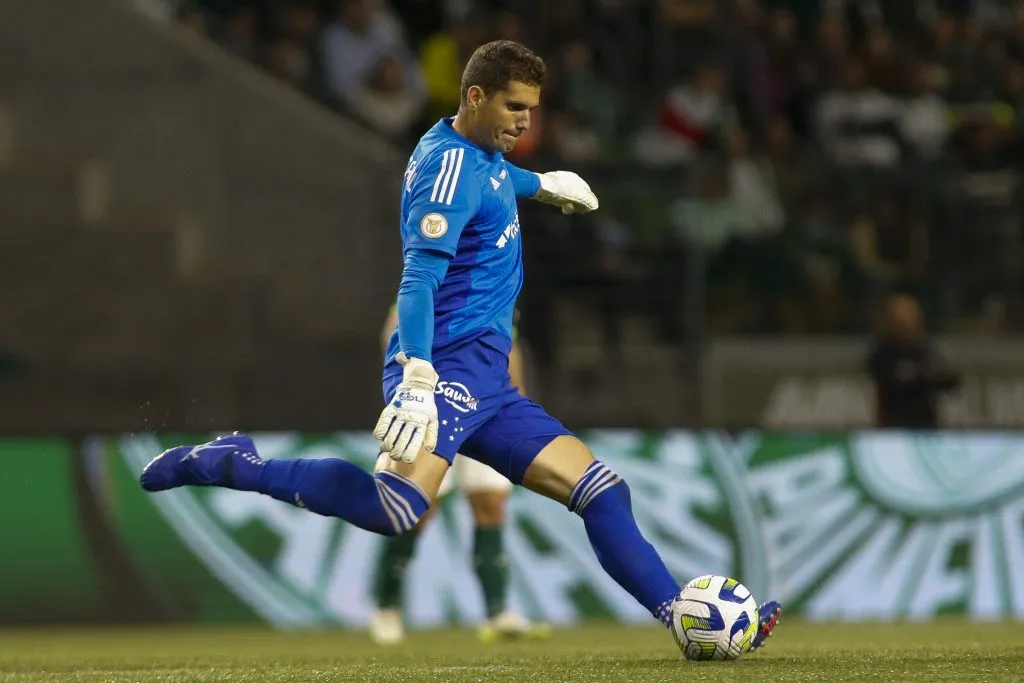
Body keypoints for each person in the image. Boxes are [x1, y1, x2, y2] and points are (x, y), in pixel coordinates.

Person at [139, 40, 781, 653]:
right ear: (475, 96)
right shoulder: (448, 173)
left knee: (602, 491)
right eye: (513, 107)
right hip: (444, 369)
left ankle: (680, 615)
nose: (524, 121)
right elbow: (418, 279)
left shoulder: (480, 154)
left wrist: (542, 185)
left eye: (532, 109)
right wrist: (416, 372)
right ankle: (233, 464)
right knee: (396, 509)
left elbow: (495, 180)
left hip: (490, 380)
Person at [369, 305, 546, 644]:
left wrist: (518, 393)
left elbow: (509, 343)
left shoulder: (494, 284)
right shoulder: (430, 280)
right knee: (415, 509)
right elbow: (394, 328)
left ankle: (497, 613)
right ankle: (386, 607)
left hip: (485, 408)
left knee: (490, 503)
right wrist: (404, 389)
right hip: (433, 409)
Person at [867, 293, 960, 428]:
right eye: (901, 318)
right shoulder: (882, 354)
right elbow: (895, 383)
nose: (907, 323)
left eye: (910, 316)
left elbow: (950, 381)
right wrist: (923, 375)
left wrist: (929, 376)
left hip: (926, 425)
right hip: (893, 426)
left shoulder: (925, 351)